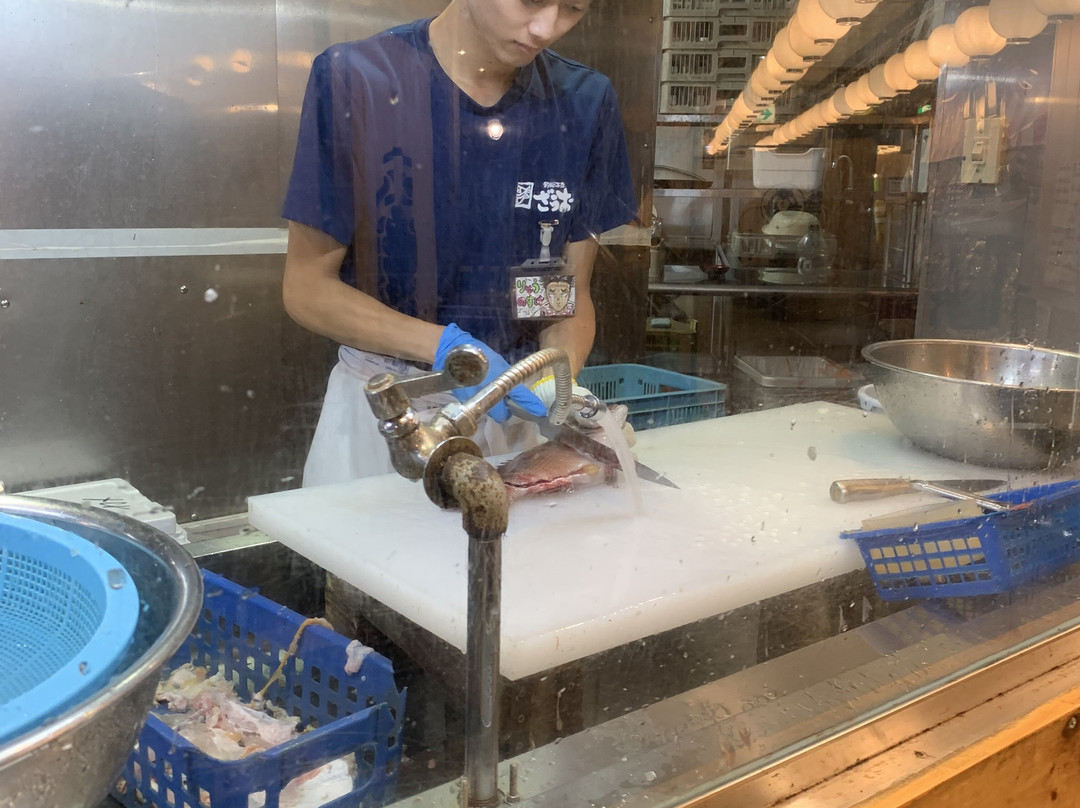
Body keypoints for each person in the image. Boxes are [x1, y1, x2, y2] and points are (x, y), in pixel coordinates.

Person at [282, 0, 637, 486]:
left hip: (512, 423)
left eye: (573, 8)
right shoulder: (359, 79)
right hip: (387, 416)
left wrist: (554, 385)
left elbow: (561, 296)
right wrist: (447, 350)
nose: (546, 28)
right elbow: (308, 289)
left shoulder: (582, 101)